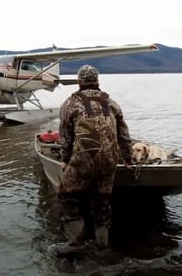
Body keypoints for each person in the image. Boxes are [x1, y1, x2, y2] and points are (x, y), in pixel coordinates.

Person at [56, 64, 133, 254]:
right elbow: (123, 134)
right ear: (97, 80)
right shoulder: (111, 102)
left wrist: (65, 159)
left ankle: (76, 244)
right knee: (102, 200)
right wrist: (128, 159)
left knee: (67, 195)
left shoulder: (71, 103)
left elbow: (65, 136)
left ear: (79, 81)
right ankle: (102, 245)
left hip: (85, 160)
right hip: (109, 161)